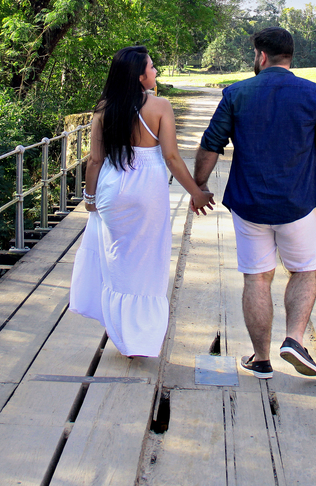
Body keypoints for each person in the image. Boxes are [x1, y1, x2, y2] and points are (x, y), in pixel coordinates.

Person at [191, 27, 316, 379]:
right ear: (290, 56)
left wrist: (199, 185)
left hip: (249, 203)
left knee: (257, 278)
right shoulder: (313, 94)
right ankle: (294, 339)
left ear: (261, 56)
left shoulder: (236, 93)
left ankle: (261, 359)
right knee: (304, 271)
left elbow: (211, 144)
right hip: (297, 203)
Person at [69, 46, 215, 357]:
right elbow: (172, 157)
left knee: (117, 259)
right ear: (139, 75)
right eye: (152, 67)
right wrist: (196, 192)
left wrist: (89, 197)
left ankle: (120, 333)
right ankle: (142, 338)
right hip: (148, 187)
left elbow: (95, 160)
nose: (156, 72)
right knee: (148, 260)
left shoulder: (104, 108)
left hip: (112, 186)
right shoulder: (160, 106)